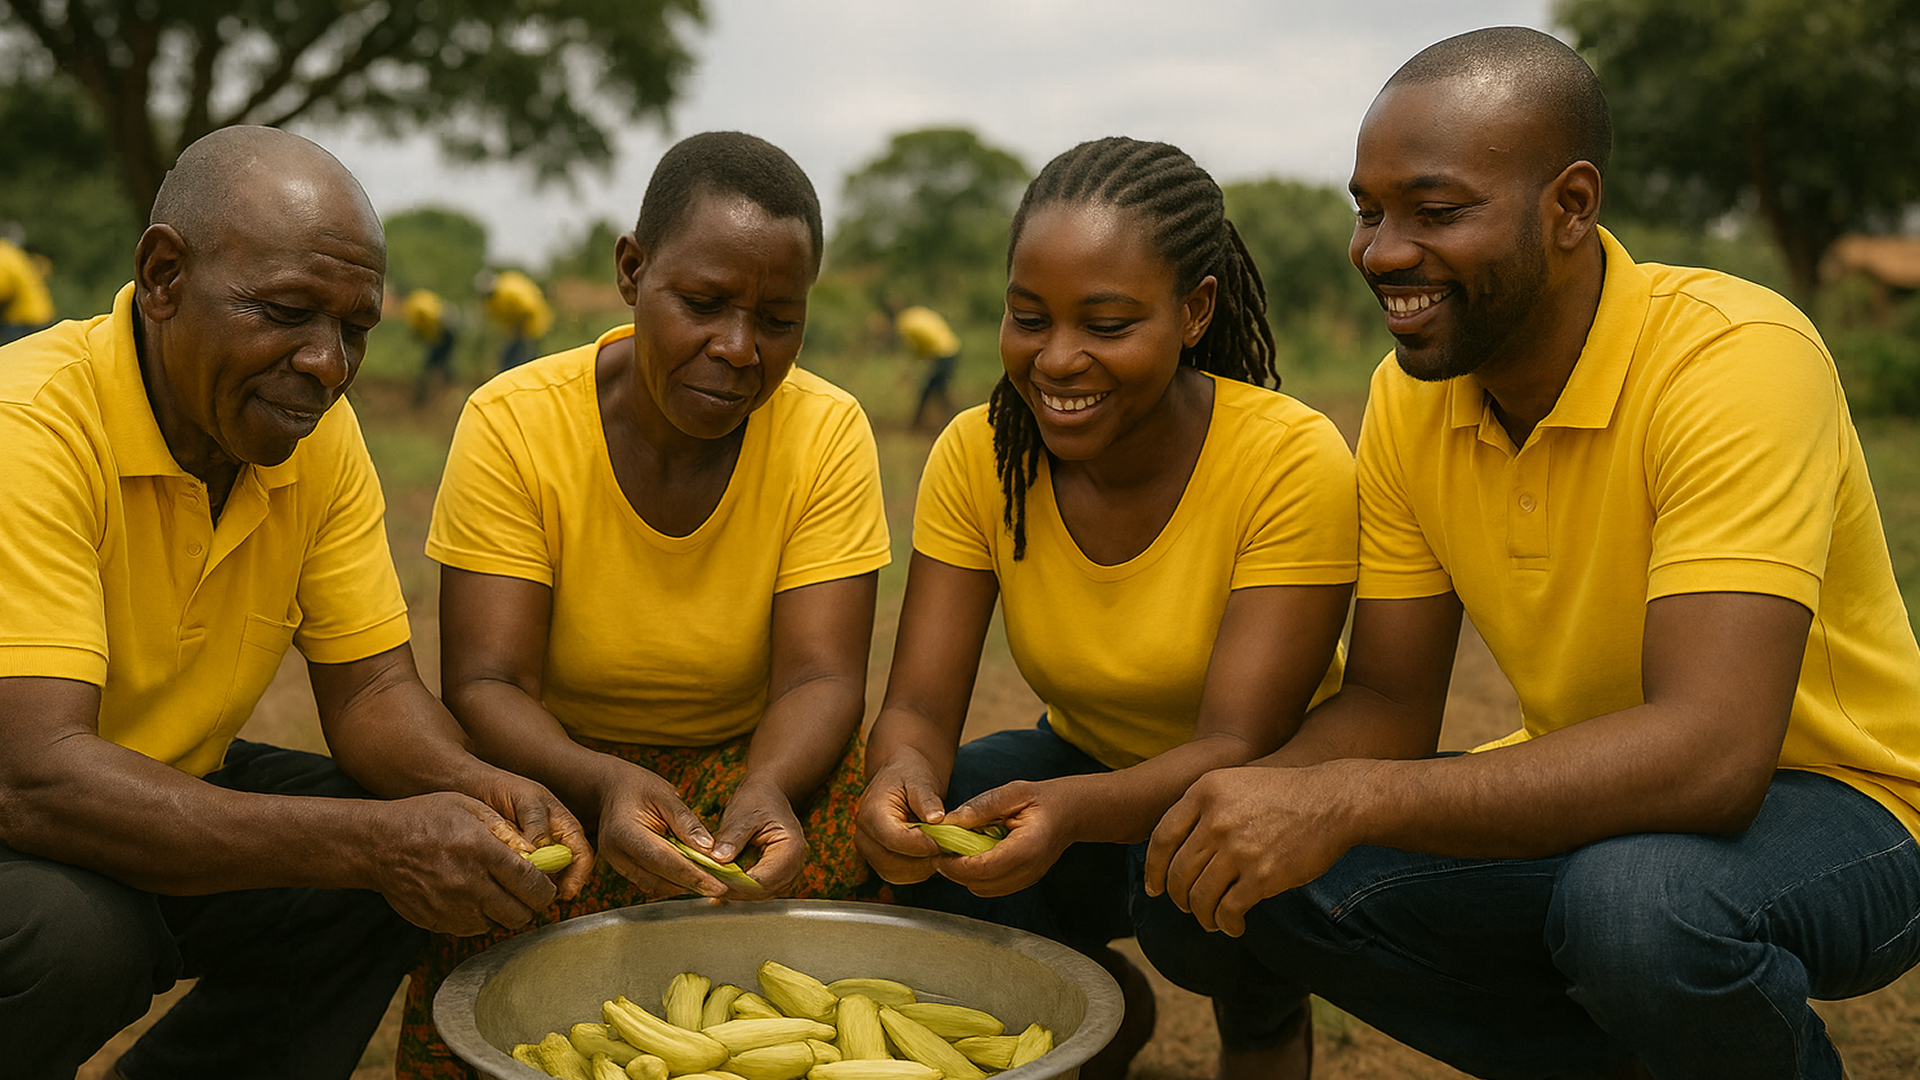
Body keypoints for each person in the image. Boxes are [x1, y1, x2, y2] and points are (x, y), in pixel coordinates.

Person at [1137, 27, 1920, 1080]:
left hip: (1855, 809)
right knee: (1209, 875)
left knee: (1640, 911)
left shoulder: (1733, 360)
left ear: (1571, 206)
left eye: (1436, 211)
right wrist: (1244, 805)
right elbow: (1390, 705)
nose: (1381, 251)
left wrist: (1348, 799)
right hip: (1607, 807)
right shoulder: (1409, 401)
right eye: (1366, 211)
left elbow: (1715, 758)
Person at [0, 126, 590, 1080]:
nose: (326, 363)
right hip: (25, 816)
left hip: (146, 787)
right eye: (285, 311)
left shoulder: (313, 435)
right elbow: (34, 779)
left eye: (355, 329)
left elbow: (371, 698)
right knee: (74, 939)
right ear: (162, 276)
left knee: (386, 866)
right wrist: (375, 843)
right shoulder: (28, 428)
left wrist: (477, 792)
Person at [856, 137, 1356, 1080]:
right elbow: (919, 706)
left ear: (1195, 311)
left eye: (1108, 323)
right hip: (1087, 759)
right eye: (1028, 316)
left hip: (1258, 788)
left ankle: (1263, 1029)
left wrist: (1074, 812)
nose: (1057, 359)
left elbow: (1238, 743)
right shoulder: (979, 458)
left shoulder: (1287, 459)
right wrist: (900, 784)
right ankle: (1086, 1015)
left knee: (1205, 868)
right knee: (957, 798)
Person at [395, 131, 892, 1078]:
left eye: (778, 320)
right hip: (557, 770)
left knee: (822, 988)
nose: (739, 349)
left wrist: (769, 788)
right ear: (632, 270)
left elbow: (824, 676)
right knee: (517, 977)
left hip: (756, 767)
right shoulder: (516, 423)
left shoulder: (826, 433)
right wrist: (604, 784)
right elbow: (489, 681)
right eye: (703, 304)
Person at [895, 302, 960, 430]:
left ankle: (918, 423)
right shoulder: (913, 313)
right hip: (952, 348)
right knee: (936, 389)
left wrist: (907, 370)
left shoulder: (904, 326)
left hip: (944, 353)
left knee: (933, 389)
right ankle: (949, 417)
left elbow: (917, 348)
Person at [477, 267, 553, 371]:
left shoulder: (510, 291)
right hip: (517, 329)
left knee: (527, 358)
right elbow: (497, 318)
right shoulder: (491, 300)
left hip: (533, 325)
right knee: (509, 357)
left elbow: (530, 310)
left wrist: (519, 329)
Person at [402, 286, 460, 406]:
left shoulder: (423, 311)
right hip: (443, 329)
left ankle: (444, 387)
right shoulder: (416, 306)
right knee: (439, 362)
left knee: (437, 362)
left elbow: (432, 331)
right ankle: (446, 384)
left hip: (446, 332)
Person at [0, 224, 55, 343]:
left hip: (23, 319)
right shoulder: (16, 253)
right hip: (40, 314)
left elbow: (3, 288)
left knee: (13, 357)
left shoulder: (4, 253)